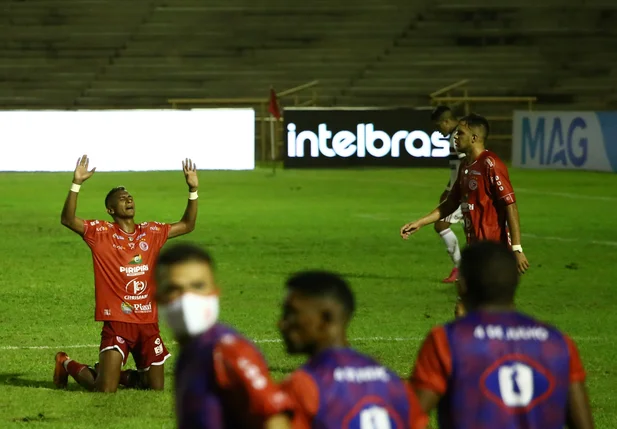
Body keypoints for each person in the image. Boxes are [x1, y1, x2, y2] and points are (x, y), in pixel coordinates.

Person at [53, 154, 199, 392]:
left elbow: (187, 225)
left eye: (129, 197)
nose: (128, 200)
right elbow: (67, 219)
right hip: (118, 322)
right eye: (122, 199)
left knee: (155, 387)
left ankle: (113, 373)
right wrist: (76, 184)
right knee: (105, 390)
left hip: (148, 322)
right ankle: (66, 363)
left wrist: (193, 190)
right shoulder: (100, 233)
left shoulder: (151, 232)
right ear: (111, 209)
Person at [409, 241, 594, 429]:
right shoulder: (558, 343)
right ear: (515, 281)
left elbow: (410, 418)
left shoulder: (447, 340)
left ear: (462, 285)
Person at [155, 243, 293, 429]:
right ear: (157, 297)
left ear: (215, 291)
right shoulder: (189, 353)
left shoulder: (229, 351)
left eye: (198, 286)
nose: (187, 298)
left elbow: (275, 422)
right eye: (173, 289)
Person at [278, 270, 428, 429]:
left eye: (292, 313)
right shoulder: (394, 383)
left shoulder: (304, 386)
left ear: (325, 319)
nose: (282, 323)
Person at [401, 113, 530, 275]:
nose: (456, 136)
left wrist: (517, 248)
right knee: (468, 299)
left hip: (493, 250)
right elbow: (451, 202)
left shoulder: (491, 164)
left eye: (460, 133)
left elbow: (510, 205)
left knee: (480, 299)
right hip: (474, 248)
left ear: (474, 138)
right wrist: (420, 222)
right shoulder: (466, 166)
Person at [431, 106, 465, 283]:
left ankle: (461, 269)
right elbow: (457, 169)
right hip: (462, 189)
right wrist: (448, 189)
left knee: (441, 225)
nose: (438, 130)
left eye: (439, 126)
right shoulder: (459, 134)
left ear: (446, 122)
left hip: (465, 191)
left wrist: (454, 191)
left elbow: (467, 165)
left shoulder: (458, 137)